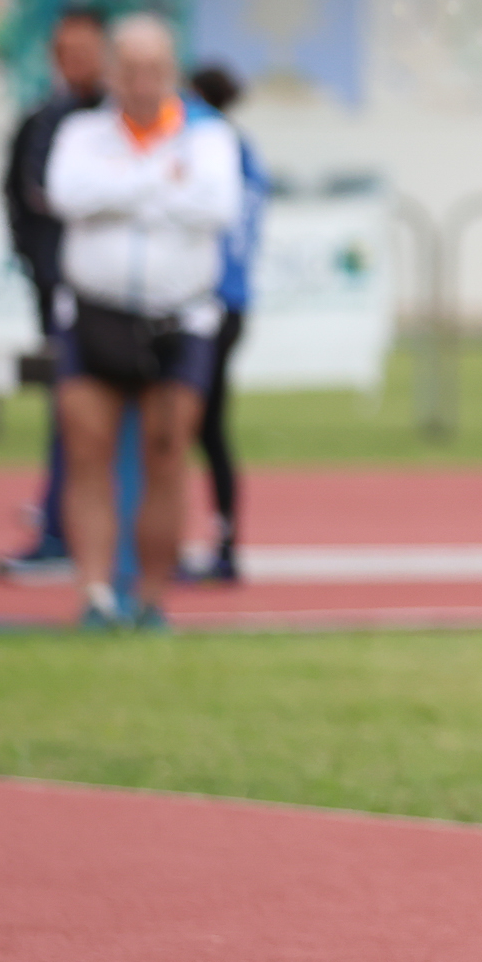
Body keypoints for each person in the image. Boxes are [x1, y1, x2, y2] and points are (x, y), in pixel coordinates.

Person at [45, 13, 242, 630]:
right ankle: (96, 594)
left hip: (177, 317)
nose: (141, 81)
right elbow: (68, 195)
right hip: (95, 312)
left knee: (167, 455)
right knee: (88, 452)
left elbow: (216, 205)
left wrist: (120, 191)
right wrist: (158, 184)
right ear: (111, 72)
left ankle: (152, 598)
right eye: (129, 69)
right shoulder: (81, 133)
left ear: (171, 72)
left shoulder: (208, 140)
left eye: (153, 69)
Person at [0, 6, 109, 569]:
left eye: (85, 50)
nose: (76, 62)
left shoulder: (130, 122)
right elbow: (21, 199)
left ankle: (122, 539)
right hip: (62, 296)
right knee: (70, 411)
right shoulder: (41, 122)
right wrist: (42, 270)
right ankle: (59, 530)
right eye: (66, 52)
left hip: (126, 301)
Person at [183, 64, 266, 585]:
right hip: (233, 300)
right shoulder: (245, 149)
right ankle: (225, 541)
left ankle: (206, 544)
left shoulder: (204, 144)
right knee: (209, 426)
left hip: (204, 299)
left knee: (185, 424)